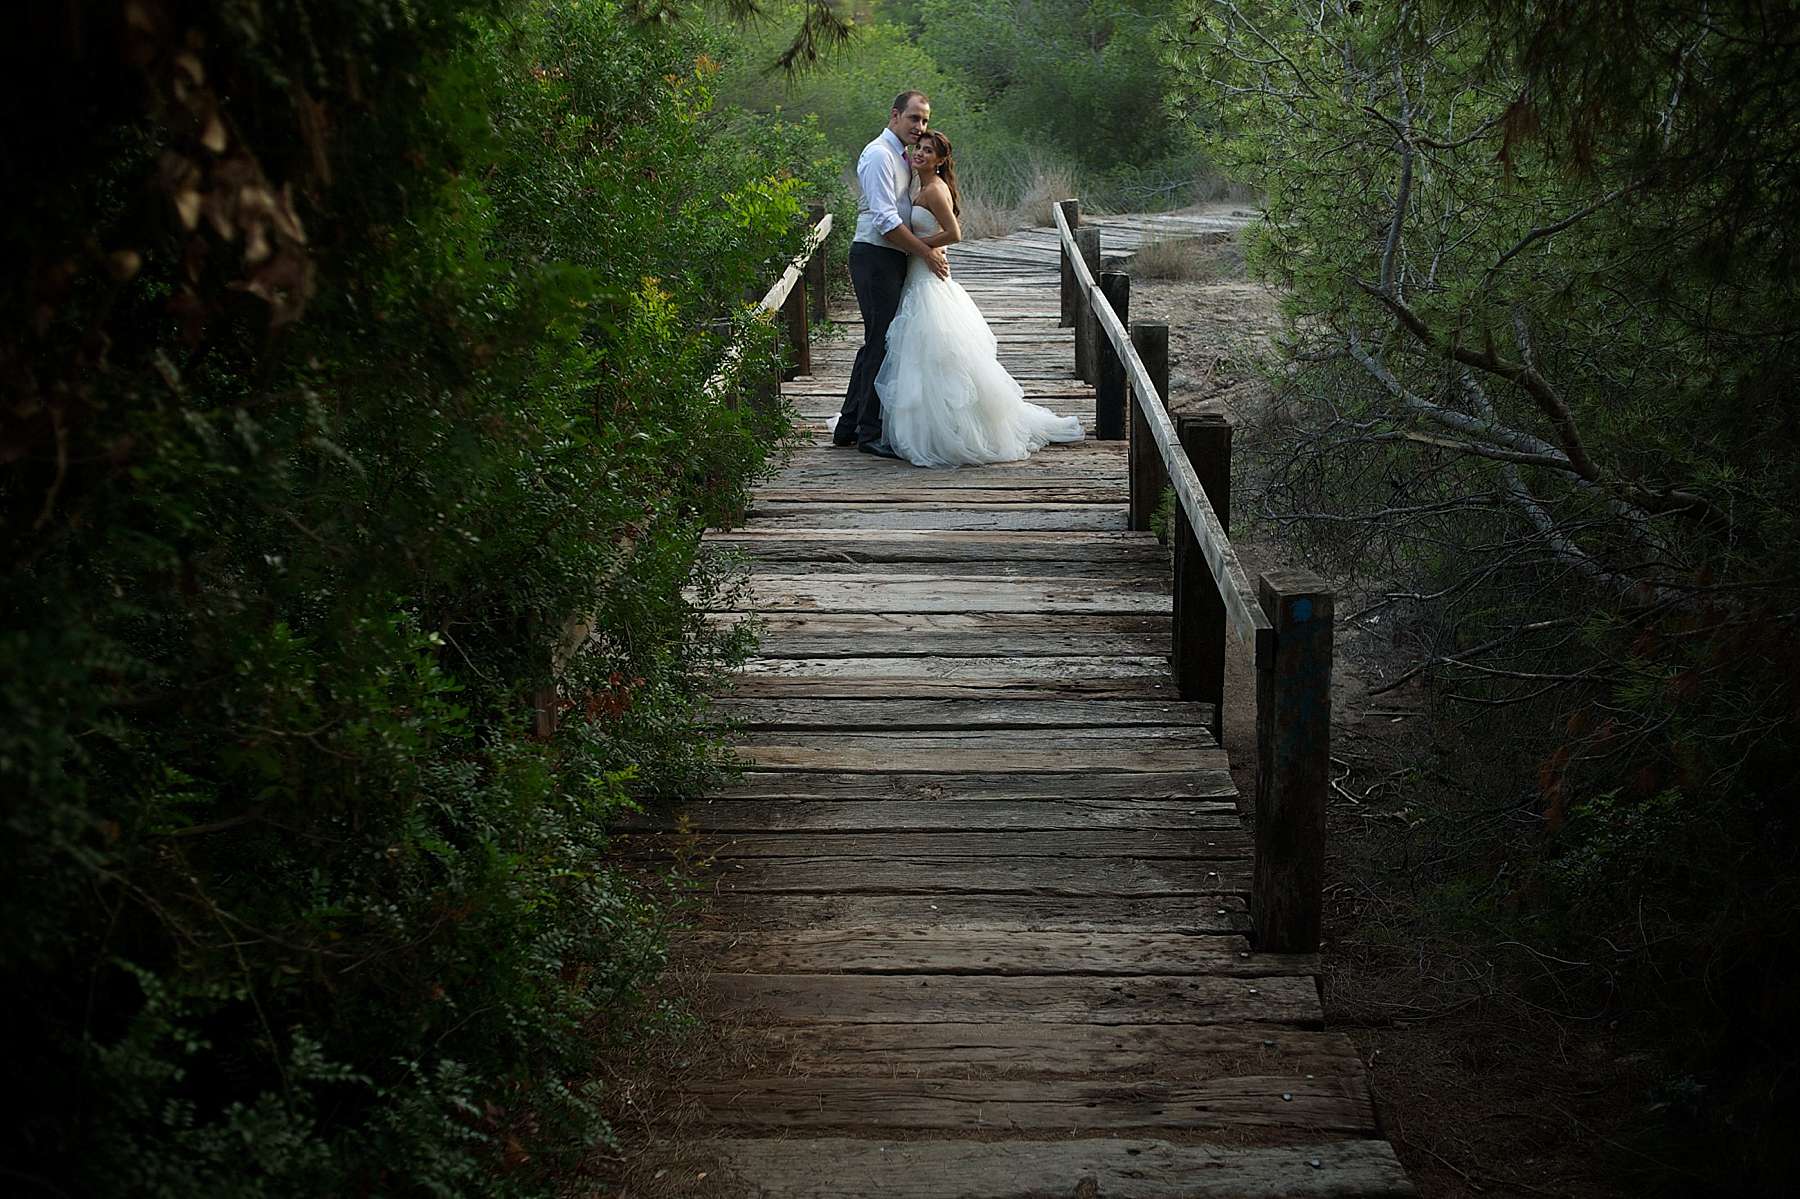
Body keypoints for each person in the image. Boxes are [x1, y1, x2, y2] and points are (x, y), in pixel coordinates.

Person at [872, 130, 1084, 467]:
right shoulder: (920, 187)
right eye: (919, 148)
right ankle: (924, 424)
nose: (921, 154)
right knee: (917, 352)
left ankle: (951, 430)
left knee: (935, 350)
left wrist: (922, 248)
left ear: (940, 160)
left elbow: (954, 233)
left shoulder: (935, 190)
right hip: (919, 272)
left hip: (929, 277)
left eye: (929, 151)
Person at [832, 90, 950, 455]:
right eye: (914, 118)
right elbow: (885, 222)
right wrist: (927, 253)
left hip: (892, 257)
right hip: (874, 255)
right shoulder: (879, 155)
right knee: (881, 342)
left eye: (925, 120)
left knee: (877, 341)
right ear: (895, 115)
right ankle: (868, 432)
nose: (920, 127)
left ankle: (849, 425)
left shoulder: (904, 158)